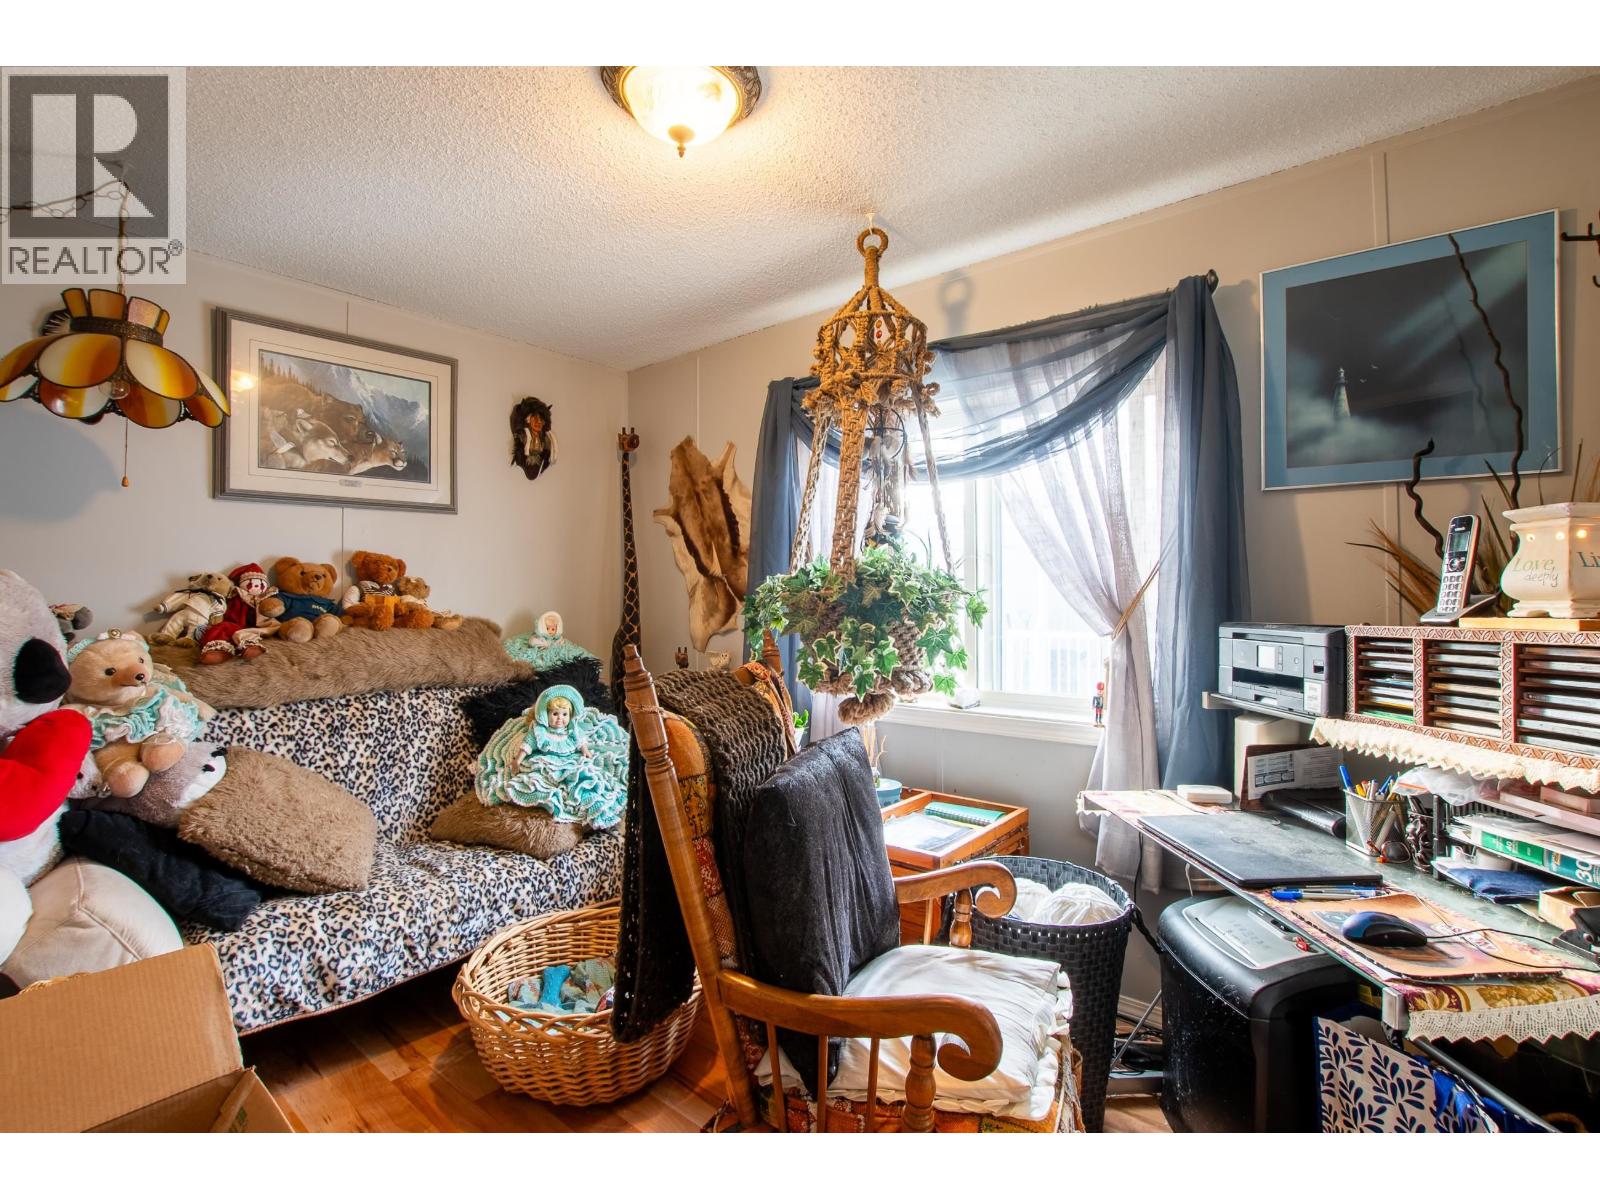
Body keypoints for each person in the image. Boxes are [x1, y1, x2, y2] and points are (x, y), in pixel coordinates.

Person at [474, 685, 627, 828]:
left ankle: (594, 808)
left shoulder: (571, 729)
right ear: (545, 715)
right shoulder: (540, 732)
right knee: (539, 780)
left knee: (583, 775)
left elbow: (580, 741)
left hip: (570, 759)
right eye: (555, 714)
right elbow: (527, 745)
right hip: (547, 759)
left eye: (564, 714)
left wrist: (585, 751)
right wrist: (518, 760)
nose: (560, 718)